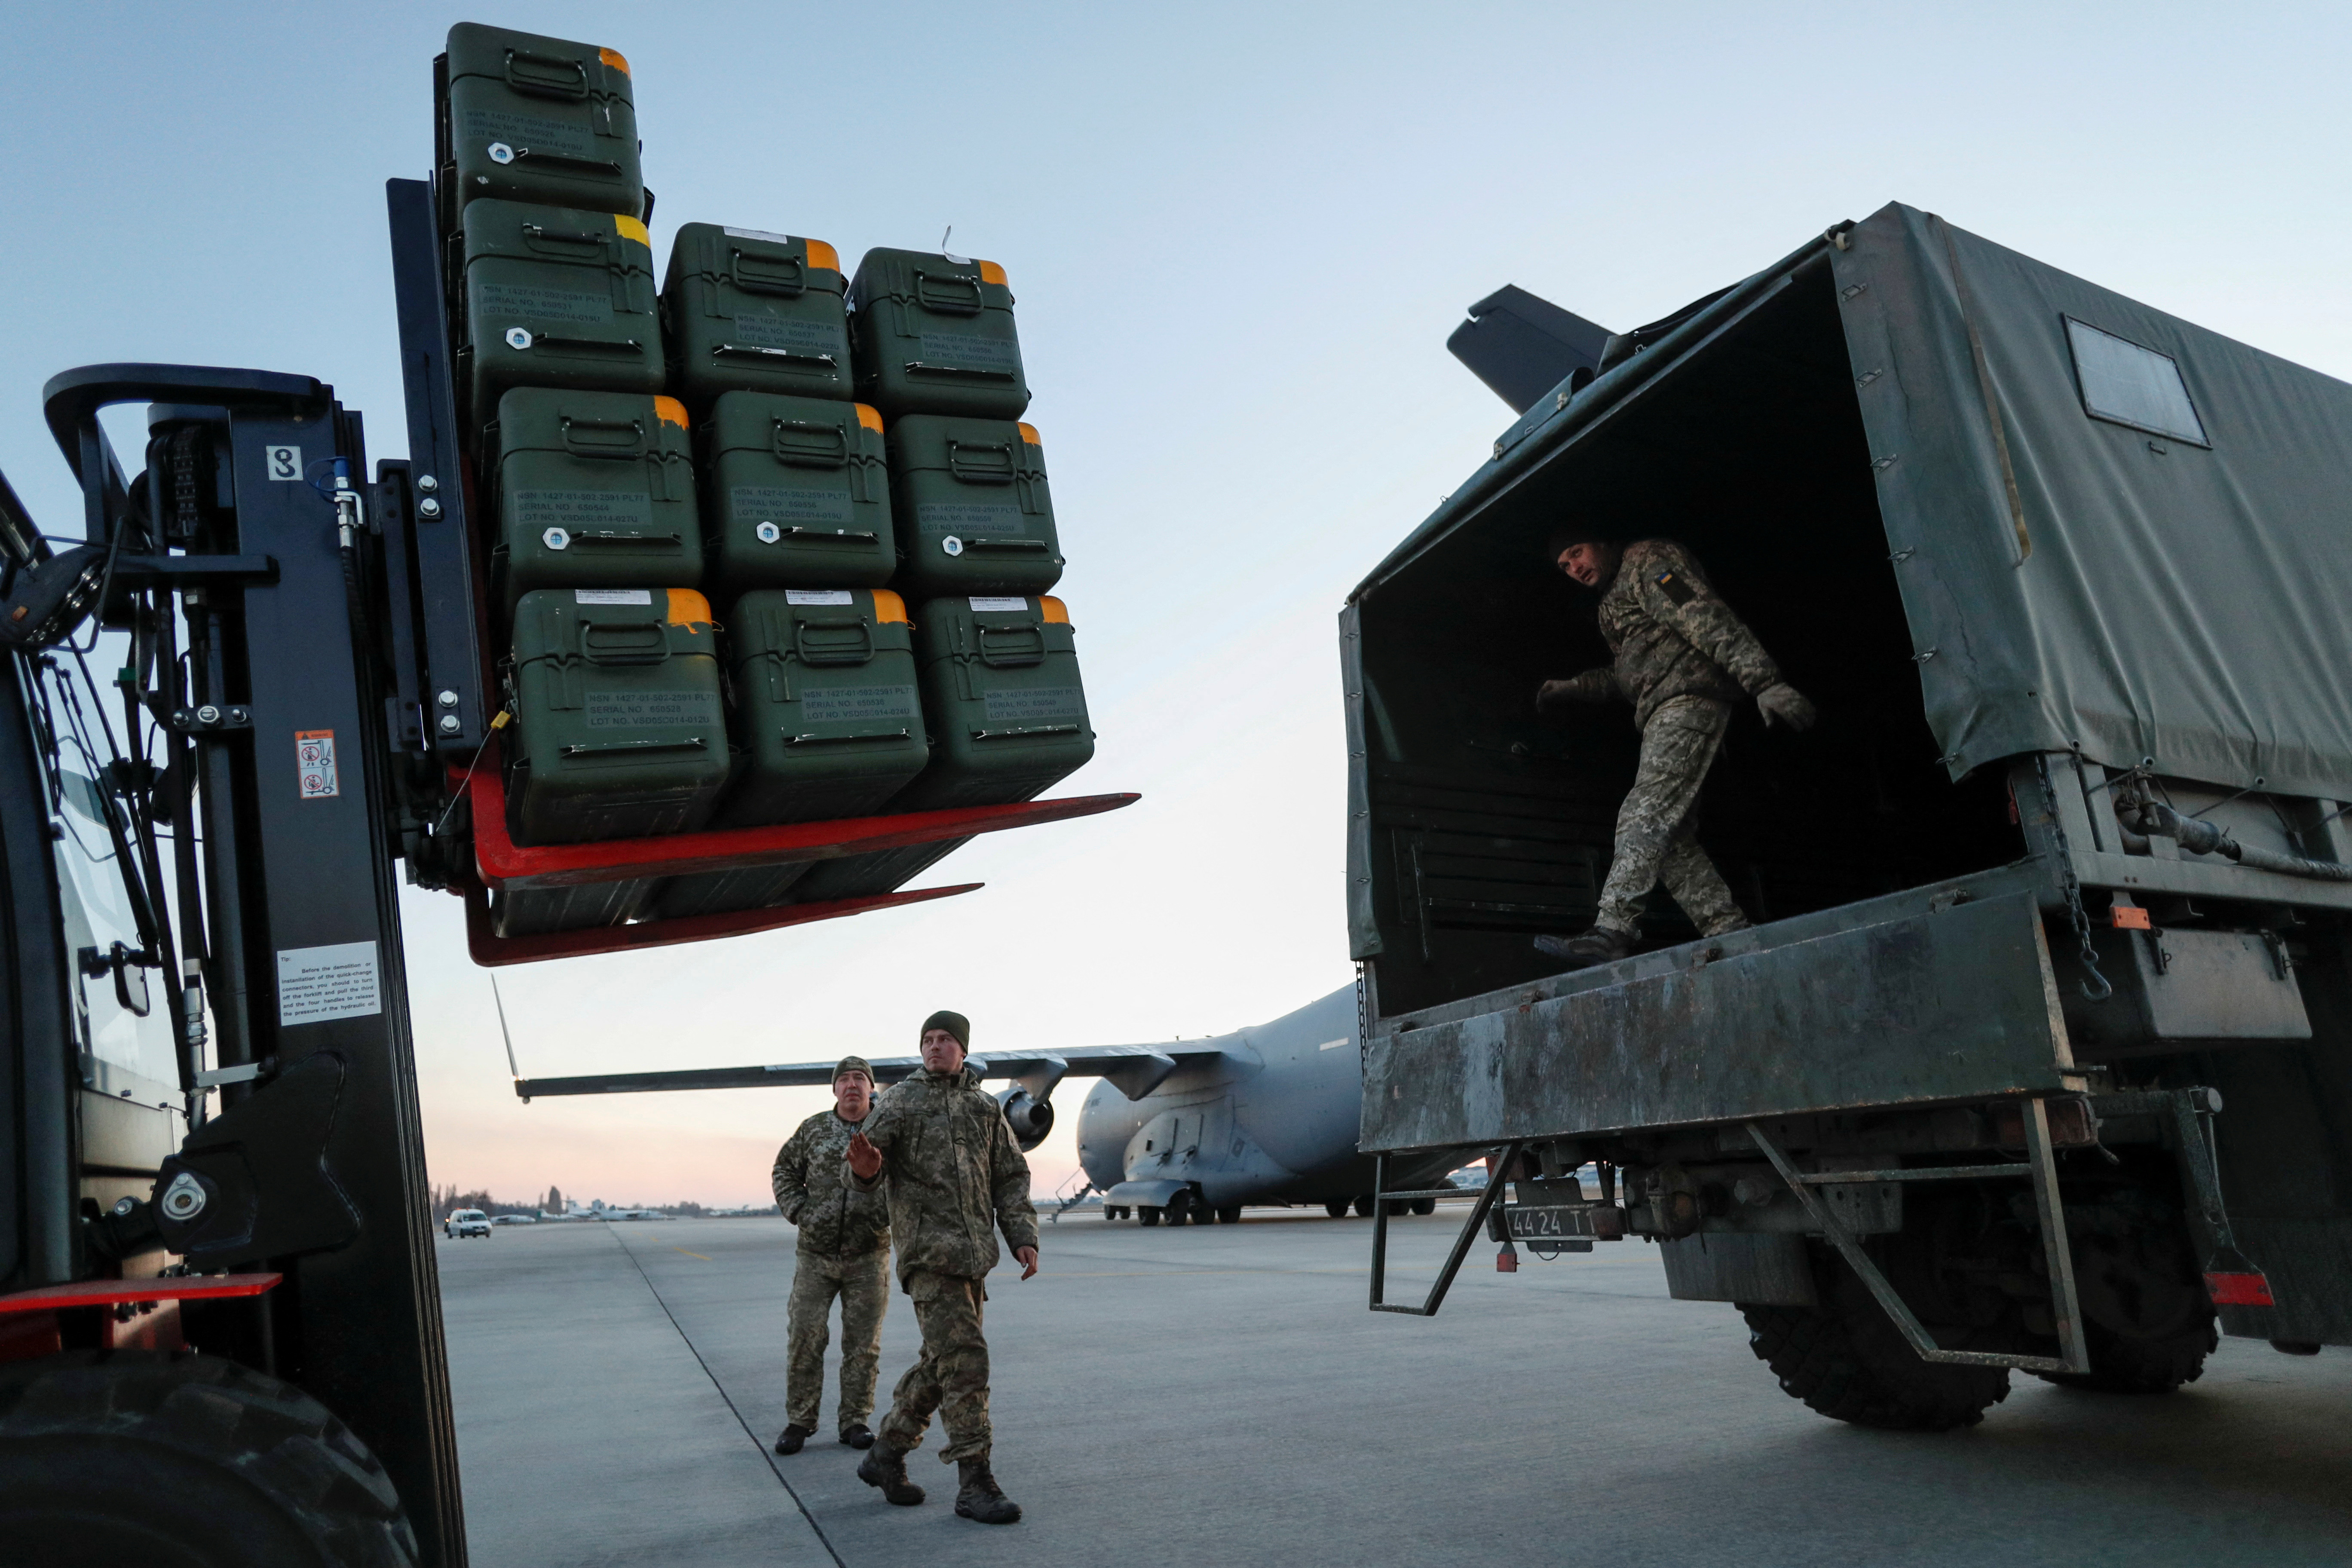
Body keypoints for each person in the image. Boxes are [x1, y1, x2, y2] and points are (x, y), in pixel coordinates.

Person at [1534, 531, 1816, 966]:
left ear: (1604, 543)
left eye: (1578, 553)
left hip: (1689, 698)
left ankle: (1613, 929)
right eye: (1565, 567)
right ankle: (1731, 931)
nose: (1576, 568)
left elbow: (1700, 614)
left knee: (1643, 814)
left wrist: (1764, 681)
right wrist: (1576, 687)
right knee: (1668, 839)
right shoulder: (1611, 605)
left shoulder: (1648, 561)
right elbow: (1628, 674)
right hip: (1660, 709)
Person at [845, 1010, 1038, 1525]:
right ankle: (974, 1481)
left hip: (975, 1259)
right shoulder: (901, 1102)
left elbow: (1010, 1176)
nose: (934, 1047)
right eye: (927, 1040)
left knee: (942, 1365)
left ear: (963, 1049)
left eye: (945, 1040)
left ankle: (885, 1456)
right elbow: (865, 1163)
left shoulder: (983, 1108)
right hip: (929, 1257)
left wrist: (1022, 1235)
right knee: (968, 1361)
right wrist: (865, 1173)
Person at [769, 1055, 892, 1456]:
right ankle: (799, 1421)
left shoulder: (889, 1128)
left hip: (869, 1253)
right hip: (816, 1256)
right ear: (835, 1089)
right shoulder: (814, 1129)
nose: (852, 1085)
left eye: (860, 1078)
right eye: (845, 1080)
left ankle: (856, 1421)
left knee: (862, 1343)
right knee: (805, 1336)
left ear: (871, 1088)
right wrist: (800, 1211)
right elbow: (784, 1170)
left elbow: (910, 1178)